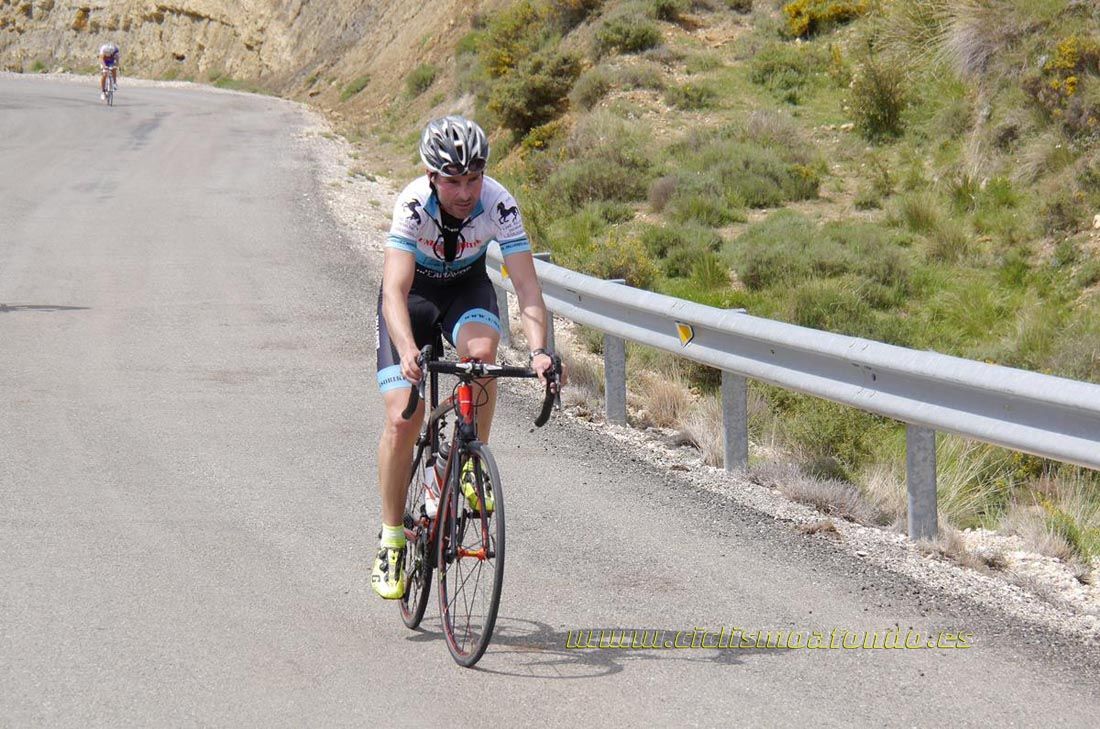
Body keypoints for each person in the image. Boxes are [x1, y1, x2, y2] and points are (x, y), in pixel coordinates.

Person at [372, 115, 558, 599]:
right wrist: (409, 348)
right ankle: (392, 537)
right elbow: (394, 288)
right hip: (412, 298)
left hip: (465, 289)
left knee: (482, 357)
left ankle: (464, 465)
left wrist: (540, 351)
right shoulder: (413, 204)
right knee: (401, 419)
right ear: (433, 177)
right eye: (453, 181)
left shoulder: (499, 204)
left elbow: (526, 287)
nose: (465, 192)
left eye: (473, 179)